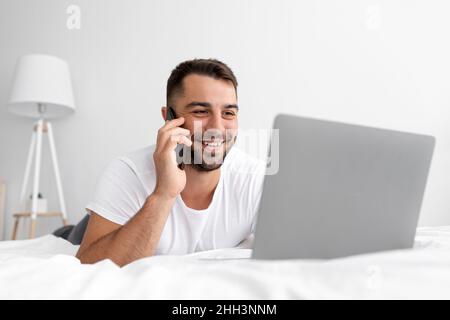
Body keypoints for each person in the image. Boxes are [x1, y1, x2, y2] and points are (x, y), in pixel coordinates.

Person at [76, 59, 265, 266]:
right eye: (201, 111)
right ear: (169, 118)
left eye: (228, 113)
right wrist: (164, 193)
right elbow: (89, 266)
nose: (217, 128)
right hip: (116, 222)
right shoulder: (127, 172)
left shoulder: (255, 178)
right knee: (70, 233)